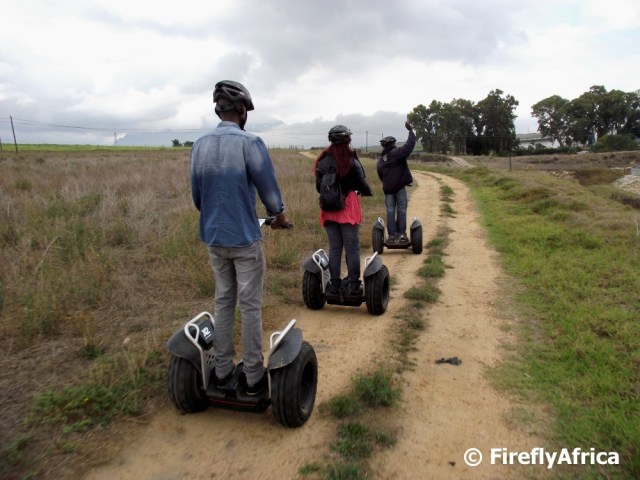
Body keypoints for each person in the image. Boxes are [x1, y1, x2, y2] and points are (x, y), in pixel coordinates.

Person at [190, 80, 290, 396]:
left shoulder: (199, 145)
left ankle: (221, 371)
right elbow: (270, 194)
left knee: (223, 301)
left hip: (214, 237)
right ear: (243, 110)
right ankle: (252, 376)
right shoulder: (251, 143)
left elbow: (197, 198)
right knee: (249, 306)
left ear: (218, 110)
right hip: (245, 239)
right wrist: (279, 218)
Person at [314, 125, 372, 296]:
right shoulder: (351, 159)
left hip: (329, 208)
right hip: (347, 207)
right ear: (347, 140)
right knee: (352, 247)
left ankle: (334, 284)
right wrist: (367, 192)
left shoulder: (322, 160)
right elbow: (362, 183)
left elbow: (318, 187)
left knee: (334, 247)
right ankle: (353, 284)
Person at [377, 121, 416, 243]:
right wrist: (411, 131)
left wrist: (388, 182)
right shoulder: (395, 153)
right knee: (401, 210)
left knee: (390, 211)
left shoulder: (381, 160)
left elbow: (381, 175)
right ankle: (402, 235)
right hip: (399, 188)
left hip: (388, 189)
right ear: (392, 144)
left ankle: (392, 236)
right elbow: (408, 147)